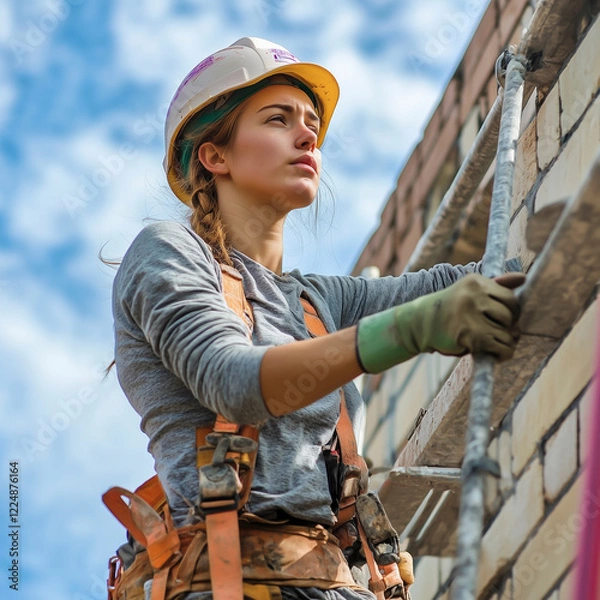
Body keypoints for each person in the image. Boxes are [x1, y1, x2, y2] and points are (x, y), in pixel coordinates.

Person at [105, 37, 523, 600]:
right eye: (278, 119)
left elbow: (467, 283)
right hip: (227, 582)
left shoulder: (315, 302)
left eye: (312, 124)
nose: (308, 136)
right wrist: (415, 327)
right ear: (215, 155)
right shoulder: (167, 252)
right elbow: (234, 381)